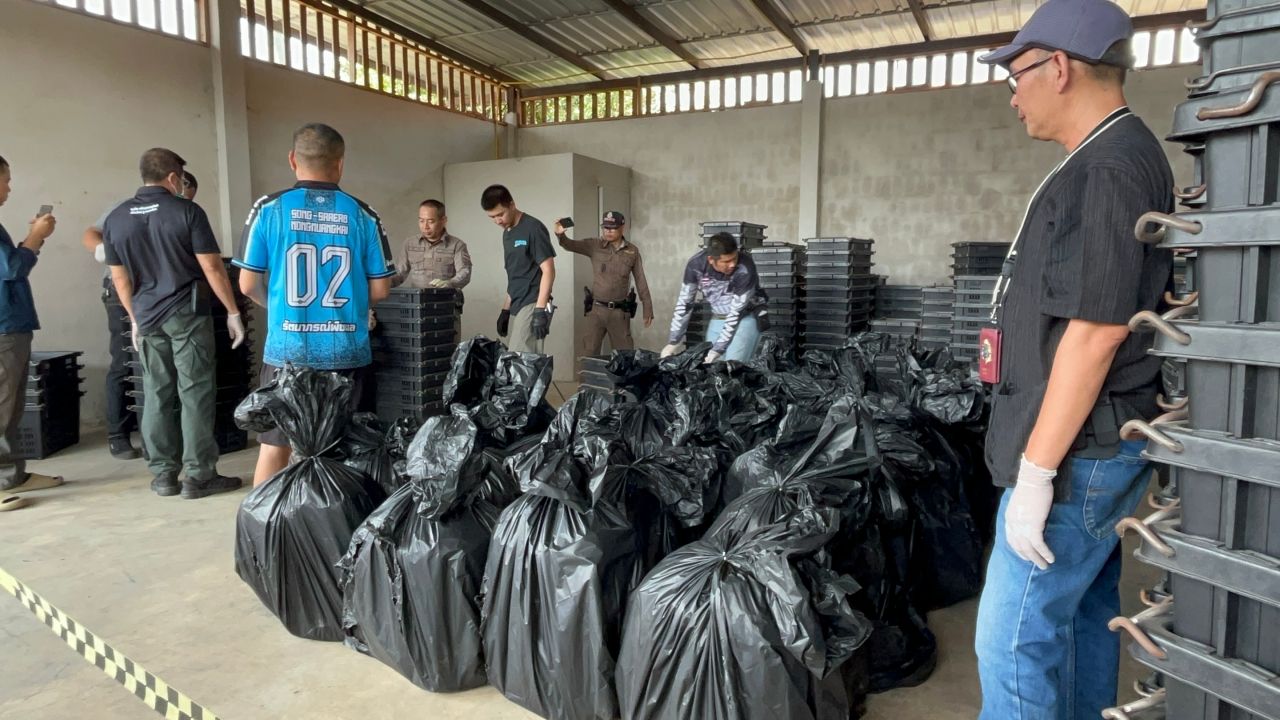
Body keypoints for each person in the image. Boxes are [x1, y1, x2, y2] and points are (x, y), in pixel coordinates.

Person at [970, 1, 1175, 717]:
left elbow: (1096, 332)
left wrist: (1036, 475)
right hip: (1085, 444)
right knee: (1081, 617)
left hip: (1077, 453)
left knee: (1012, 642)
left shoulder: (1110, 168)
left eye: (1016, 76)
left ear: (1058, 67)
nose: (1013, 96)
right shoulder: (1100, 159)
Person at [234, 123, 394, 487]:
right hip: (347, 352)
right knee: (351, 447)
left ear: (293, 160)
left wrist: (280, 309)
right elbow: (381, 288)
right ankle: (343, 517)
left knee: (274, 447)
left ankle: (264, 518)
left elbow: (247, 284)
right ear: (340, 164)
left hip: (287, 352)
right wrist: (351, 308)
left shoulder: (269, 208)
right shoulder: (363, 214)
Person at [103, 149, 245, 499]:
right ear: (172, 177)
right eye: (181, 176)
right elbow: (212, 266)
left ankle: (163, 474)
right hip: (186, 314)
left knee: (156, 392)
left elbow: (119, 278)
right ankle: (199, 475)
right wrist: (232, 311)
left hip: (147, 316)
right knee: (195, 391)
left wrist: (134, 319)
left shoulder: (116, 218)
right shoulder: (187, 211)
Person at [82, 170, 199, 460]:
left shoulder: (180, 212)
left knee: (159, 375)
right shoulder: (125, 210)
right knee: (125, 362)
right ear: (174, 181)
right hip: (123, 292)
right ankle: (117, 434)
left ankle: (157, 443)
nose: (183, 201)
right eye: (183, 195)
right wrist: (106, 251)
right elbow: (90, 234)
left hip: (161, 295)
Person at [0, 155, 65, 512]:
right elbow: (12, 268)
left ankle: (14, 475)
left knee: (10, 406)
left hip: (13, 325)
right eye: (6, 180)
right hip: (3, 327)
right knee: (2, 405)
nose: (9, 187)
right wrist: (36, 236)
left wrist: (33, 239)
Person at [554, 210, 654, 361]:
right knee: (588, 355)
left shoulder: (632, 251)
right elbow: (569, 245)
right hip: (596, 311)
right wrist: (560, 235)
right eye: (605, 227)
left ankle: (622, 378)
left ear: (622, 227)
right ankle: (586, 378)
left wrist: (648, 308)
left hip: (619, 313)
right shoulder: (594, 245)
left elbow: (640, 279)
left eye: (613, 228)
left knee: (625, 358)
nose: (608, 231)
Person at [661, 232, 765, 363]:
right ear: (711, 259)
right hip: (718, 317)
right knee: (710, 366)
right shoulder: (696, 265)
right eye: (726, 261)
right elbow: (685, 303)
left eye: (734, 258)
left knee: (732, 366)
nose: (732, 264)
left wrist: (718, 349)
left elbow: (736, 313)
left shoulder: (745, 267)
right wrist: (674, 341)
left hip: (744, 317)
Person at [481, 184, 555, 354]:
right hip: (516, 303)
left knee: (520, 359)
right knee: (515, 358)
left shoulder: (533, 228)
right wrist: (505, 309)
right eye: (492, 217)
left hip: (532, 301)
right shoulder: (507, 233)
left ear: (512, 205)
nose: (498, 221)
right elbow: (515, 274)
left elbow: (549, 270)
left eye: (500, 214)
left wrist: (539, 310)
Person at [391, 199, 471, 291]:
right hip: (417, 298)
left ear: (443, 220)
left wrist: (449, 283)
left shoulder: (457, 245)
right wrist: (384, 283)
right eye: (421, 221)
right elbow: (400, 273)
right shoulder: (409, 244)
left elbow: (464, 273)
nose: (425, 226)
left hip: (446, 298)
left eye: (430, 221)